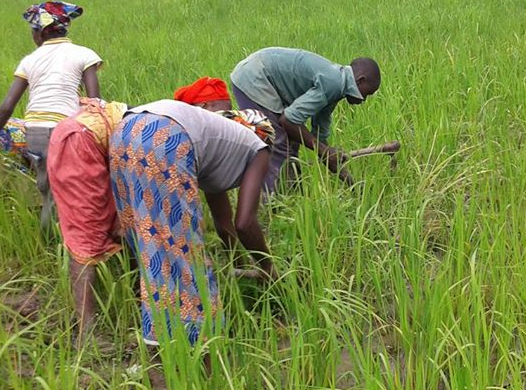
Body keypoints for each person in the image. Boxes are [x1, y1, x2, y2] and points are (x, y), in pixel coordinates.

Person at [110, 87, 276, 347]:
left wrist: (239, 263)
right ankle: (201, 348)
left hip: (125, 131)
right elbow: (244, 224)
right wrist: (268, 268)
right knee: (186, 254)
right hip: (166, 137)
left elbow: (225, 225)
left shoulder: (216, 139)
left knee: (144, 240)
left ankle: (149, 326)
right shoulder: (259, 148)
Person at [0, 1, 103, 228]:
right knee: (65, 196)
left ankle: (45, 239)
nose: (32, 36)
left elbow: (7, 105)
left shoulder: (30, 60)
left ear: (42, 32)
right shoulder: (84, 54)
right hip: (67, 133)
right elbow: (94, 101)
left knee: (47, 191)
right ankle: (65, 243)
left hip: (34, 134)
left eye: (32, 30)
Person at [229, 47, 381, 194]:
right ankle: (274, 206)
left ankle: (292, 196)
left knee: (293, 140)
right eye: (367, 94)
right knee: (277, 144)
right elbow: (288, 121)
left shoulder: (337, 85)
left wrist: (350, 182)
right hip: (254, 77)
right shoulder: (334, 83)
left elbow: (319, 136)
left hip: (260, 73)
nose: (364, 100)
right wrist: (323, 150)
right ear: (360, 81)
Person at [46, 98, 127, 345]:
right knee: (87, 231)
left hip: (84, 136)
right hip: (80, 142)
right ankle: (86, 330)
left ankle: (133, 294)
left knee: (122, 217)